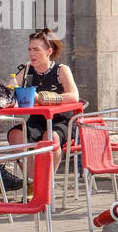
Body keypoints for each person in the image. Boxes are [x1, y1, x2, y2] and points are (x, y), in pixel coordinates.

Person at [8, 29, 79, 169]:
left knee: (50, 137)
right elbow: (11, 88)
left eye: (36, 49)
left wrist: (43, 99)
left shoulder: (61, 70)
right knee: (15, 134)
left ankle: (47, 184)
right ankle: (33, 181)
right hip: (37, 121)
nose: (31, 53)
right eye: (29, 49)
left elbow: (74, 96)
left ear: (49, 51)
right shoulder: (28, 69)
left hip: (62, 121)